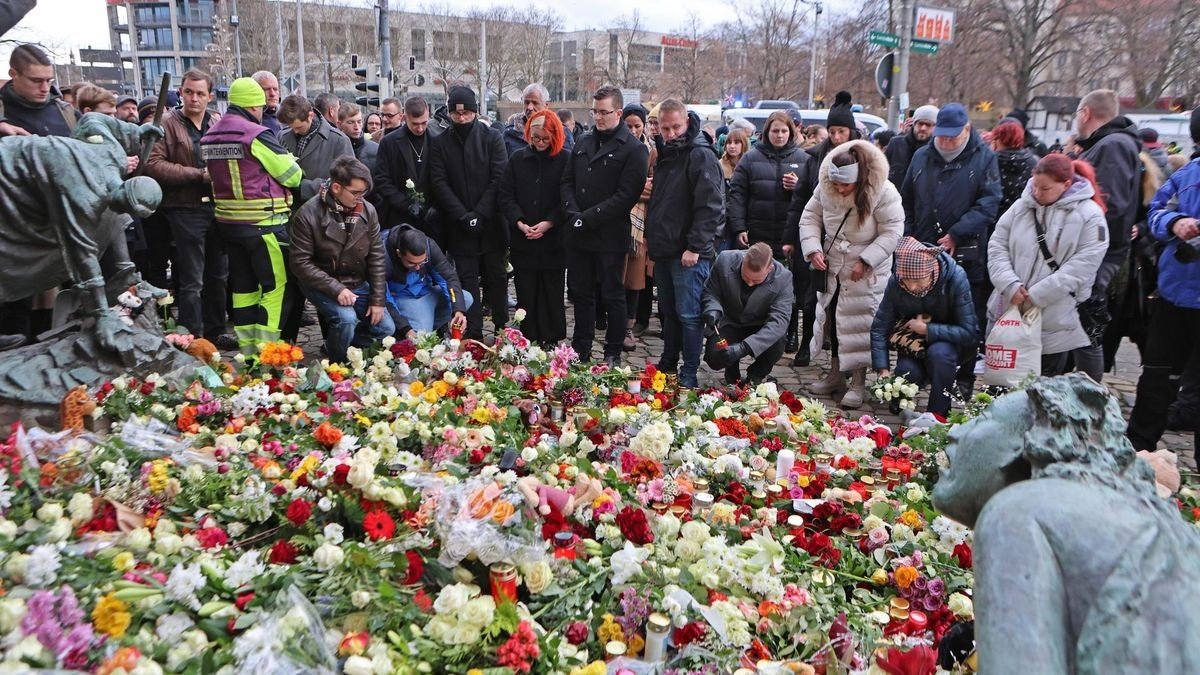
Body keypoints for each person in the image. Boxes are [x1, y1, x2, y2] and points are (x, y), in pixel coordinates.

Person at [901, 102, 1001, 394]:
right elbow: (906, 199)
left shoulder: (984, 158)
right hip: (922, 251)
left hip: (966, 252)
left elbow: (989, 202)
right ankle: (915, 373)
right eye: (941, 135)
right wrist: (907, 237)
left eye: (952, 136)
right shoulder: (922, 156)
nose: (944, 141)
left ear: (967, 130)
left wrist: (958, 232)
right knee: (920, 311)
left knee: (967, 315)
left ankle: (965, 376)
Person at [200, 77, 303, 352]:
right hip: (265, 225)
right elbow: (292, 175)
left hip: (228, 225)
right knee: (276, 287)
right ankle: (267, 354)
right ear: (255, 106)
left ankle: (248, 353)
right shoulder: (256, 134)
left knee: (244, 290)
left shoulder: (210, 135)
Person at [800, 139, 904, 408]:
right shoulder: (825, 187)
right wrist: (813, 249)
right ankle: (836, 375)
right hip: (833, 268)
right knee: (834, 322)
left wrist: (867, 260)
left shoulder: (884, 192)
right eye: (835, 184)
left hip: (865, 273)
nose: (838, 189)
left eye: (844, 185)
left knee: (861, 326)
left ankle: (858, 383)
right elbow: (810, 217)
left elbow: (893, 230)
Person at [987, 153, 1109, 375]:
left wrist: (1036, 296)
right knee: (1000, 384)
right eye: (1035, 186)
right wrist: (1009, 284)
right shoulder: (1020, 207)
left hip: (1054, 318)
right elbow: (997, 244)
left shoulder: (1090, 216)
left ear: (1066, 185)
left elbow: (1082, 266)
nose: (1037, 193)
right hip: (1009, 310)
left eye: (1045, 189)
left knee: (1041, 388)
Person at [144, 68, 236, 350]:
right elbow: (153, 164)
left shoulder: (217, 124)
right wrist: (198, 175)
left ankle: (216, 330)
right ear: (181, 93)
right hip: (184, 208)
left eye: (200, 93)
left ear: (210, 96)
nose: (194, 98)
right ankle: (191, 335)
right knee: (191, 278)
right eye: (188, 92)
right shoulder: (167, 124)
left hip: (217, 208)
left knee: (218, 275)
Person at [1127, 109, 1200, 455]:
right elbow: (1155, 213)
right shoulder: (1185, 176)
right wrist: (1176, 223)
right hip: (1175, 296)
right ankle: (1138, 452)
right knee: (1156, 379)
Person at [562, 85, 650, 367]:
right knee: (582, 294)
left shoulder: (634, 149)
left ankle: (612, 350)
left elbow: (626, 196)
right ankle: (581, 347)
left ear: (618, 113)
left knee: (612, 294)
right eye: (595, 111)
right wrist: (573, 212)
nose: (598, 117)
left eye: (604, 112)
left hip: (609, 234)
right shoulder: (584, 142)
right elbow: (567, 182)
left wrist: (587, 217)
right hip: (579, 234)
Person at [0, 44, 81, 349]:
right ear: (13, 74)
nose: (45, 87)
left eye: (49, 79)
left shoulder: (64, 112)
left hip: (64, 221)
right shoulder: (3, 112)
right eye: (36, 80)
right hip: (14, 228)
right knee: (15, 304)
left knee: (73, 297)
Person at [645, 99, 723, 387]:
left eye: (675, 127)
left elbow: (711, 206)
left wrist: (695, 246)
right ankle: (668, 362)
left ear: (687, 122)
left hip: (690, 252)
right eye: (664, 128)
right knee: (670, 312)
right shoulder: (666, 152)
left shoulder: (699, 155)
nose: (670, 133)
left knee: (689, 315)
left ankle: (689, 372)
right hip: (666, 248)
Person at [287, 155, 393, 360]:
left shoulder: (368, 210)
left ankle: (344, 344)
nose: (360, 198)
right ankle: (339, 362)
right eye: (355, 192)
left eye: (364, 192)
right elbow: (300, 263)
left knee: (386, 328)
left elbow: (377, 257)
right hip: (322, 281)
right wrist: (336, 289)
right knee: (346, 319)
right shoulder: (307, 214)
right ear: (336, 188)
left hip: (356, 280)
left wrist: (378, 299)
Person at [728, 110, 816, 355]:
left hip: (790, 233)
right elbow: (737, 194)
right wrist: (739, 226)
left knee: (790, 285)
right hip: (759, 231)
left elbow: (813, 197)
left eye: (784, 131)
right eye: (775, 130)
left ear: (791, 132)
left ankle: (790, 331)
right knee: (760, 283)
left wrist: (797, 186)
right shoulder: (751, 158)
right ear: (767, 132)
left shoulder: (804, 158)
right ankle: (759, 331)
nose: (779, 135)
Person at [428, 85, 508, 339]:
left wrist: (480, 213)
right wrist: (463, 215)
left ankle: (502, 328)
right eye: (456, 114)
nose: (461, 119)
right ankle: (472, 332)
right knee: (467, 281)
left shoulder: (492, 137)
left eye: (466, 114)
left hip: (491, 224)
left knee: (496, 279)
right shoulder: (440, 143)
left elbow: (499, 176)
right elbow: (438, 181)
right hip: (458, 225)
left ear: (475, 112)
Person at [1073, 89, 1141, 381]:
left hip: (1097, 257)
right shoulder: (1109, 144)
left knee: (1087, 329)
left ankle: (1090, 398)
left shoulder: (1112, 146)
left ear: (1086, 113)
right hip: (1096, 255)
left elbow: (1109, 206)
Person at [872, 237, 978, 420]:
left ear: (932, 272)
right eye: (906, 280)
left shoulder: (956, 279)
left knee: (939, 354)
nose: (912, 287)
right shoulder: (896, 282)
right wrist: (882, 369)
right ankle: (903, 404)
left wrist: (929, 330)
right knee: (907, 371)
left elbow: (970, 332)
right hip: (914, 346)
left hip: (949, 345)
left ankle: (937, 416)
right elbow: (879, 327)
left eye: (918, 280)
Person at [498, 109, 568, 347]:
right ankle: (528, 335)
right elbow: (506, 195)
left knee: (552, 288)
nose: (539, 143)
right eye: (535, 138)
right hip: (523, 236)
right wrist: (519, 222)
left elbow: (566, 199)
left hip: (553, 238)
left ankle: (551, 336)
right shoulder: (518, 159)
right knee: (526, 289)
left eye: (545, 139)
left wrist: (549, 223)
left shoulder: (564, 160)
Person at [701, 243, 793, 385]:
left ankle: (755, 375)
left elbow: (779, 322)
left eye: (756, 280)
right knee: (714, 357)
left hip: (760, 325)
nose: (750, 283)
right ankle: (731, 368)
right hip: (730, 321)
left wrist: (744, 347)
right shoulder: (724, 260)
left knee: (778, 341)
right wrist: (712, 309)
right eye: (746, 277)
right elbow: (711, 291)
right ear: (743, 260)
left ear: (770, 269)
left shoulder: (783, 278)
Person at [384, 224, 469, 336]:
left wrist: (458, 311)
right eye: (412, 263)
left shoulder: (429, 245)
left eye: (422, 262)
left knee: (465, 299)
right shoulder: (383, 256)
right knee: (421, 336)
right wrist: (405, 328)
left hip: (426, 291)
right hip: (403, 298)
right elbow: (383, 298)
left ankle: (429, 326)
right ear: (399, 253)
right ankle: (414, 330)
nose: (418, 268)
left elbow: (448, 278)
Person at [620, 103, 657, 350]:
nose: (633, 130)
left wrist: (638, 190)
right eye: (628, 125)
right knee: (615, 277)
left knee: (635, 279)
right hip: (617, 219)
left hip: (641, 224)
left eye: (637, 125)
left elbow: (655, 186)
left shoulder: (652, 151)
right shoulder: (616, 147)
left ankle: (629, 327)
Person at [373, 95, 436, 233]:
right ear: (404, 117)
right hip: (398, 217)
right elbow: (382, 180)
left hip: (431, 220)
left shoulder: (436, 141)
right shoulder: (389, 143)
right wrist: (406, 205)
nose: (420, 128)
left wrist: (434, 206)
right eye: (415, 124)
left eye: (424, 123)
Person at [277, 94, 355, 202]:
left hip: (321, 210)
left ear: (310, 116)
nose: (295, 131)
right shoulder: (282, 136)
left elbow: (347, 180)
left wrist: (304, 188)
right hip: (288, 210)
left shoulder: (339, 140)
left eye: (299, 127)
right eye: (291, 127)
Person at [990, 119, 1038, 218]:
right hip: (1022, 216)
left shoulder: (990, 161)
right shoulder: (1033, 161)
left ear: (998, 139)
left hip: (993, 217)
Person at [886, 105, 937, 188]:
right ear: (914, 124)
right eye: (920, 123)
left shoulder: (937, 151)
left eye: (928, 125)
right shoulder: (895, 144)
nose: (923, 128)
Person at [808, 91, 857, 165]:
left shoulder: (865, 156)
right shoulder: (815, 157)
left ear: (851, 131)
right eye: (832, 132)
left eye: (841, 131)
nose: (836, 137)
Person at [337, 102, 378, 172]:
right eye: (351, 122)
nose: (356, 127)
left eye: (359, 122)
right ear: (339, 124)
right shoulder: (333, 148)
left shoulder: (376, 149)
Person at [250, 71, 282, 135]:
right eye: (266, 89)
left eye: (275, 89)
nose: (272, 94)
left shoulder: (288, 118)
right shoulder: (246, 121)